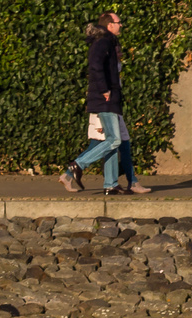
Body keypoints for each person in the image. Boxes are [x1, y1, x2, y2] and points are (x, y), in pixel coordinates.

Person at [61, 12, 124, 193]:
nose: (121, 26)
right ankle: (78, 164)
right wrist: (105, 90)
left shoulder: (108, 41)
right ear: (110, 25)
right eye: (119, 23)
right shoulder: (103, 42)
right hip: (104, 99)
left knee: (111, 141)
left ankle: (110, 184)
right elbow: (95, 65)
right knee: (114, 139)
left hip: (109, 98)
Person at [84, 111, 150, 194]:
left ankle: (122, 183)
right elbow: (100, 102)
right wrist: (99, 123)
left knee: (122, 148)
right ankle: (75, 168)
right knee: (105, 147)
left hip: (114, 117)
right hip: (107, 119)